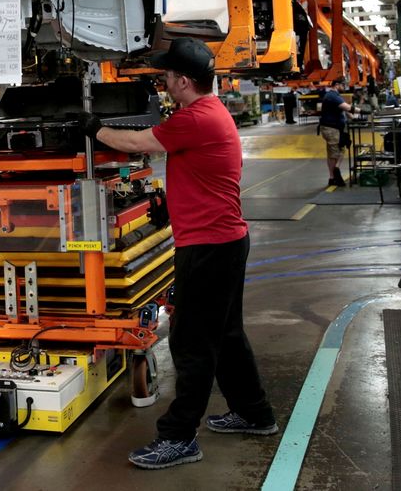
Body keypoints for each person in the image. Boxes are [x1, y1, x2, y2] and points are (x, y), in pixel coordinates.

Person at [79, 37, 277, 470]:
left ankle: (179, 437)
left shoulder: (198, 118)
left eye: (167, 76)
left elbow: (140, 144)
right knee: (224, 336)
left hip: (209, 246)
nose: (163, 82)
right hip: (222, 241)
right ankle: (254, 412)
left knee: (192, 341)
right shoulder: (208, 112)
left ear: (184, 81)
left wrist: (93, 127)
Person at [317, 85, 352, 187]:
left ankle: (333, 175)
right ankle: (334, 174)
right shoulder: (332, 96)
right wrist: (361, 111)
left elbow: (345, 110)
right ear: (337, 85)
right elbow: (347, 108)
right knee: (335, 152)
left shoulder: (336, 96)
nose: (345, 87)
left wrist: (352, 116)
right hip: (331, 129)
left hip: (335, 128)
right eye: (343, 84)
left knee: (336, 151)